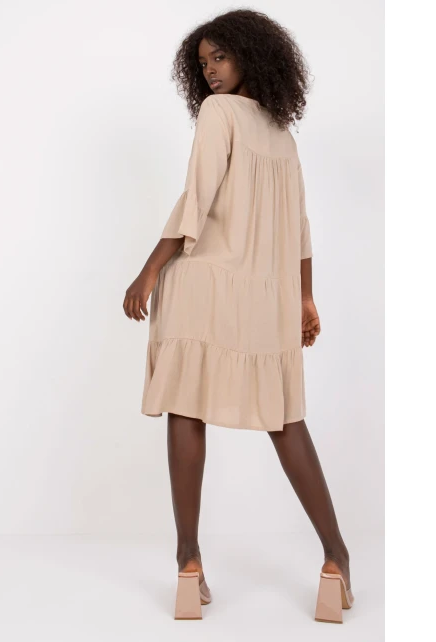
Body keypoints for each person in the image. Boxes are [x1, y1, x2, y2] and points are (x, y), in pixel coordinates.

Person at [122, 9, 353, 622]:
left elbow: (196, 198)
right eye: (203, 63)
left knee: (187, 407)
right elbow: (299, 230)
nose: (210, 71)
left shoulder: (219, 114)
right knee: (284, 418)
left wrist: (150, 270)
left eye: (219, 57)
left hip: (203, 283)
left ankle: (188, 563)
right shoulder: (282, 135)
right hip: (263, 294)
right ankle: (336, 560)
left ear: (252, 55)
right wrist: (303, 297)